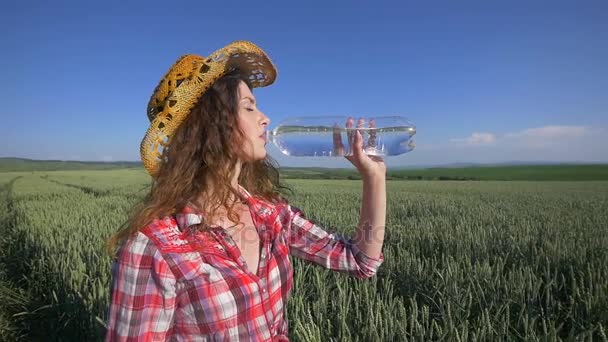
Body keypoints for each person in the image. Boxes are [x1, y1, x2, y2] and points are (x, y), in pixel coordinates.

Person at [104, 41, 386, 341]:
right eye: (249, 107)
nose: (265, 118)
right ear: (212, 124)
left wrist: (374, 178)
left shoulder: (271, 215)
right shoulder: (156, 247)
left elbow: (360, 261)